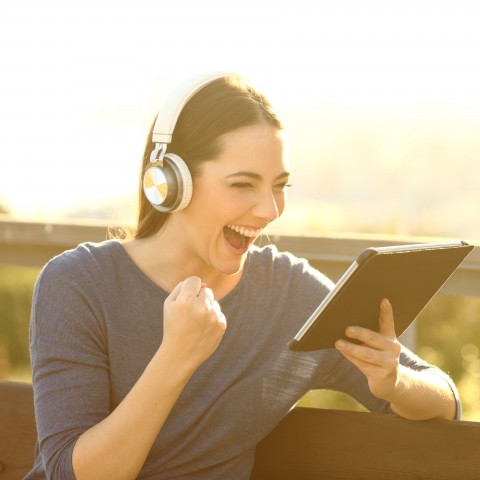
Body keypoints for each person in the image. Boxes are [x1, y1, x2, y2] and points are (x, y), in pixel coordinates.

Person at [26, 73, 460, 480]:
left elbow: (445, 400)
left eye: (279, 186)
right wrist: (176, 356)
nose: (269, 210)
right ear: (170, 183)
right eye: (242, 185)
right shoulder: (78, 284)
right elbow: (71, 472)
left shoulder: (288, 294)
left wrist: (396, 381)